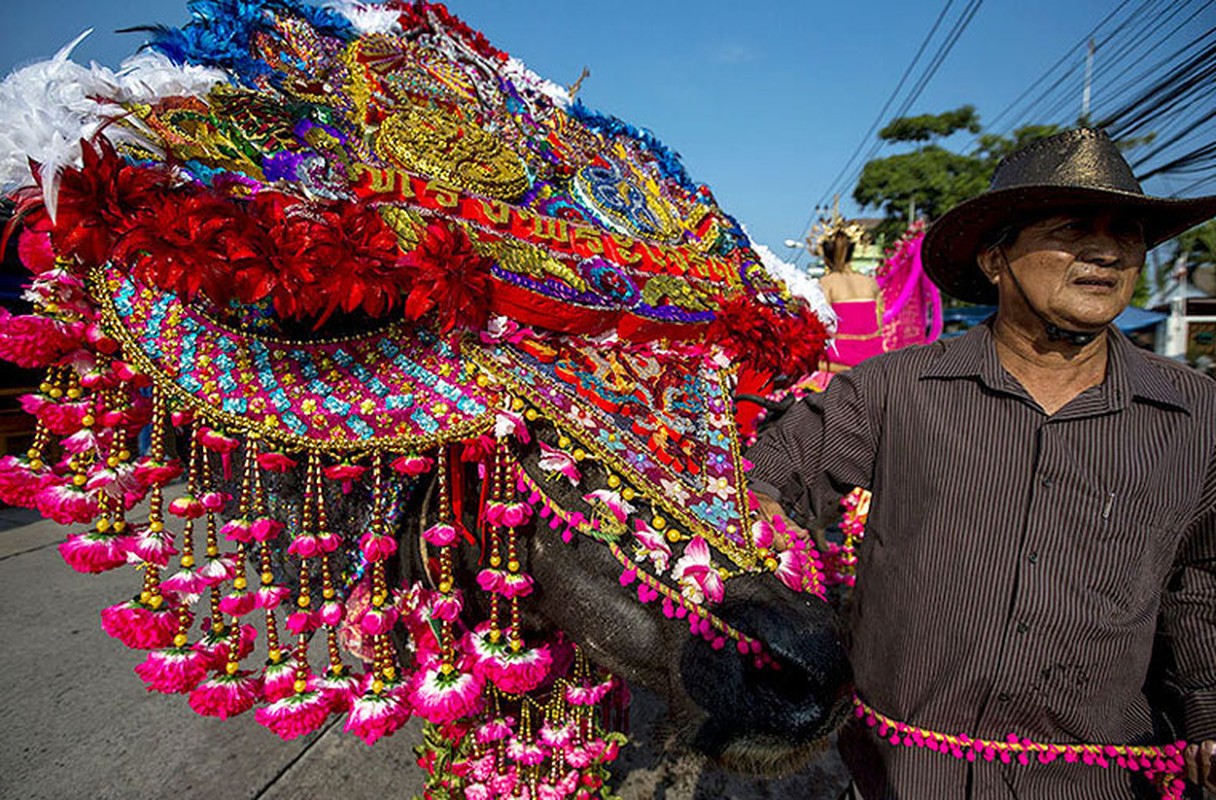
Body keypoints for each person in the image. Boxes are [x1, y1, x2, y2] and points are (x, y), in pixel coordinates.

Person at [747, 128, 1216, 798]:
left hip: (1099, 780)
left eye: (1128, 232)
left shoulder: (1196, 413)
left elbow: (1204, 579)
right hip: (903, 774)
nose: (1107, 250)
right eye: (1074, 226)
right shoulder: (891, 389)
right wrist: (781, 588)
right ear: (997, 260)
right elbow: (766, 478)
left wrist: (1208, 710)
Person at [814, 208, 886, 372]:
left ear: (825, 256)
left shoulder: (825, 284)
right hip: (874, 362)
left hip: (837, 364)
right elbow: (880, 326)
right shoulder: (871, 283)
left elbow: (821, 328)